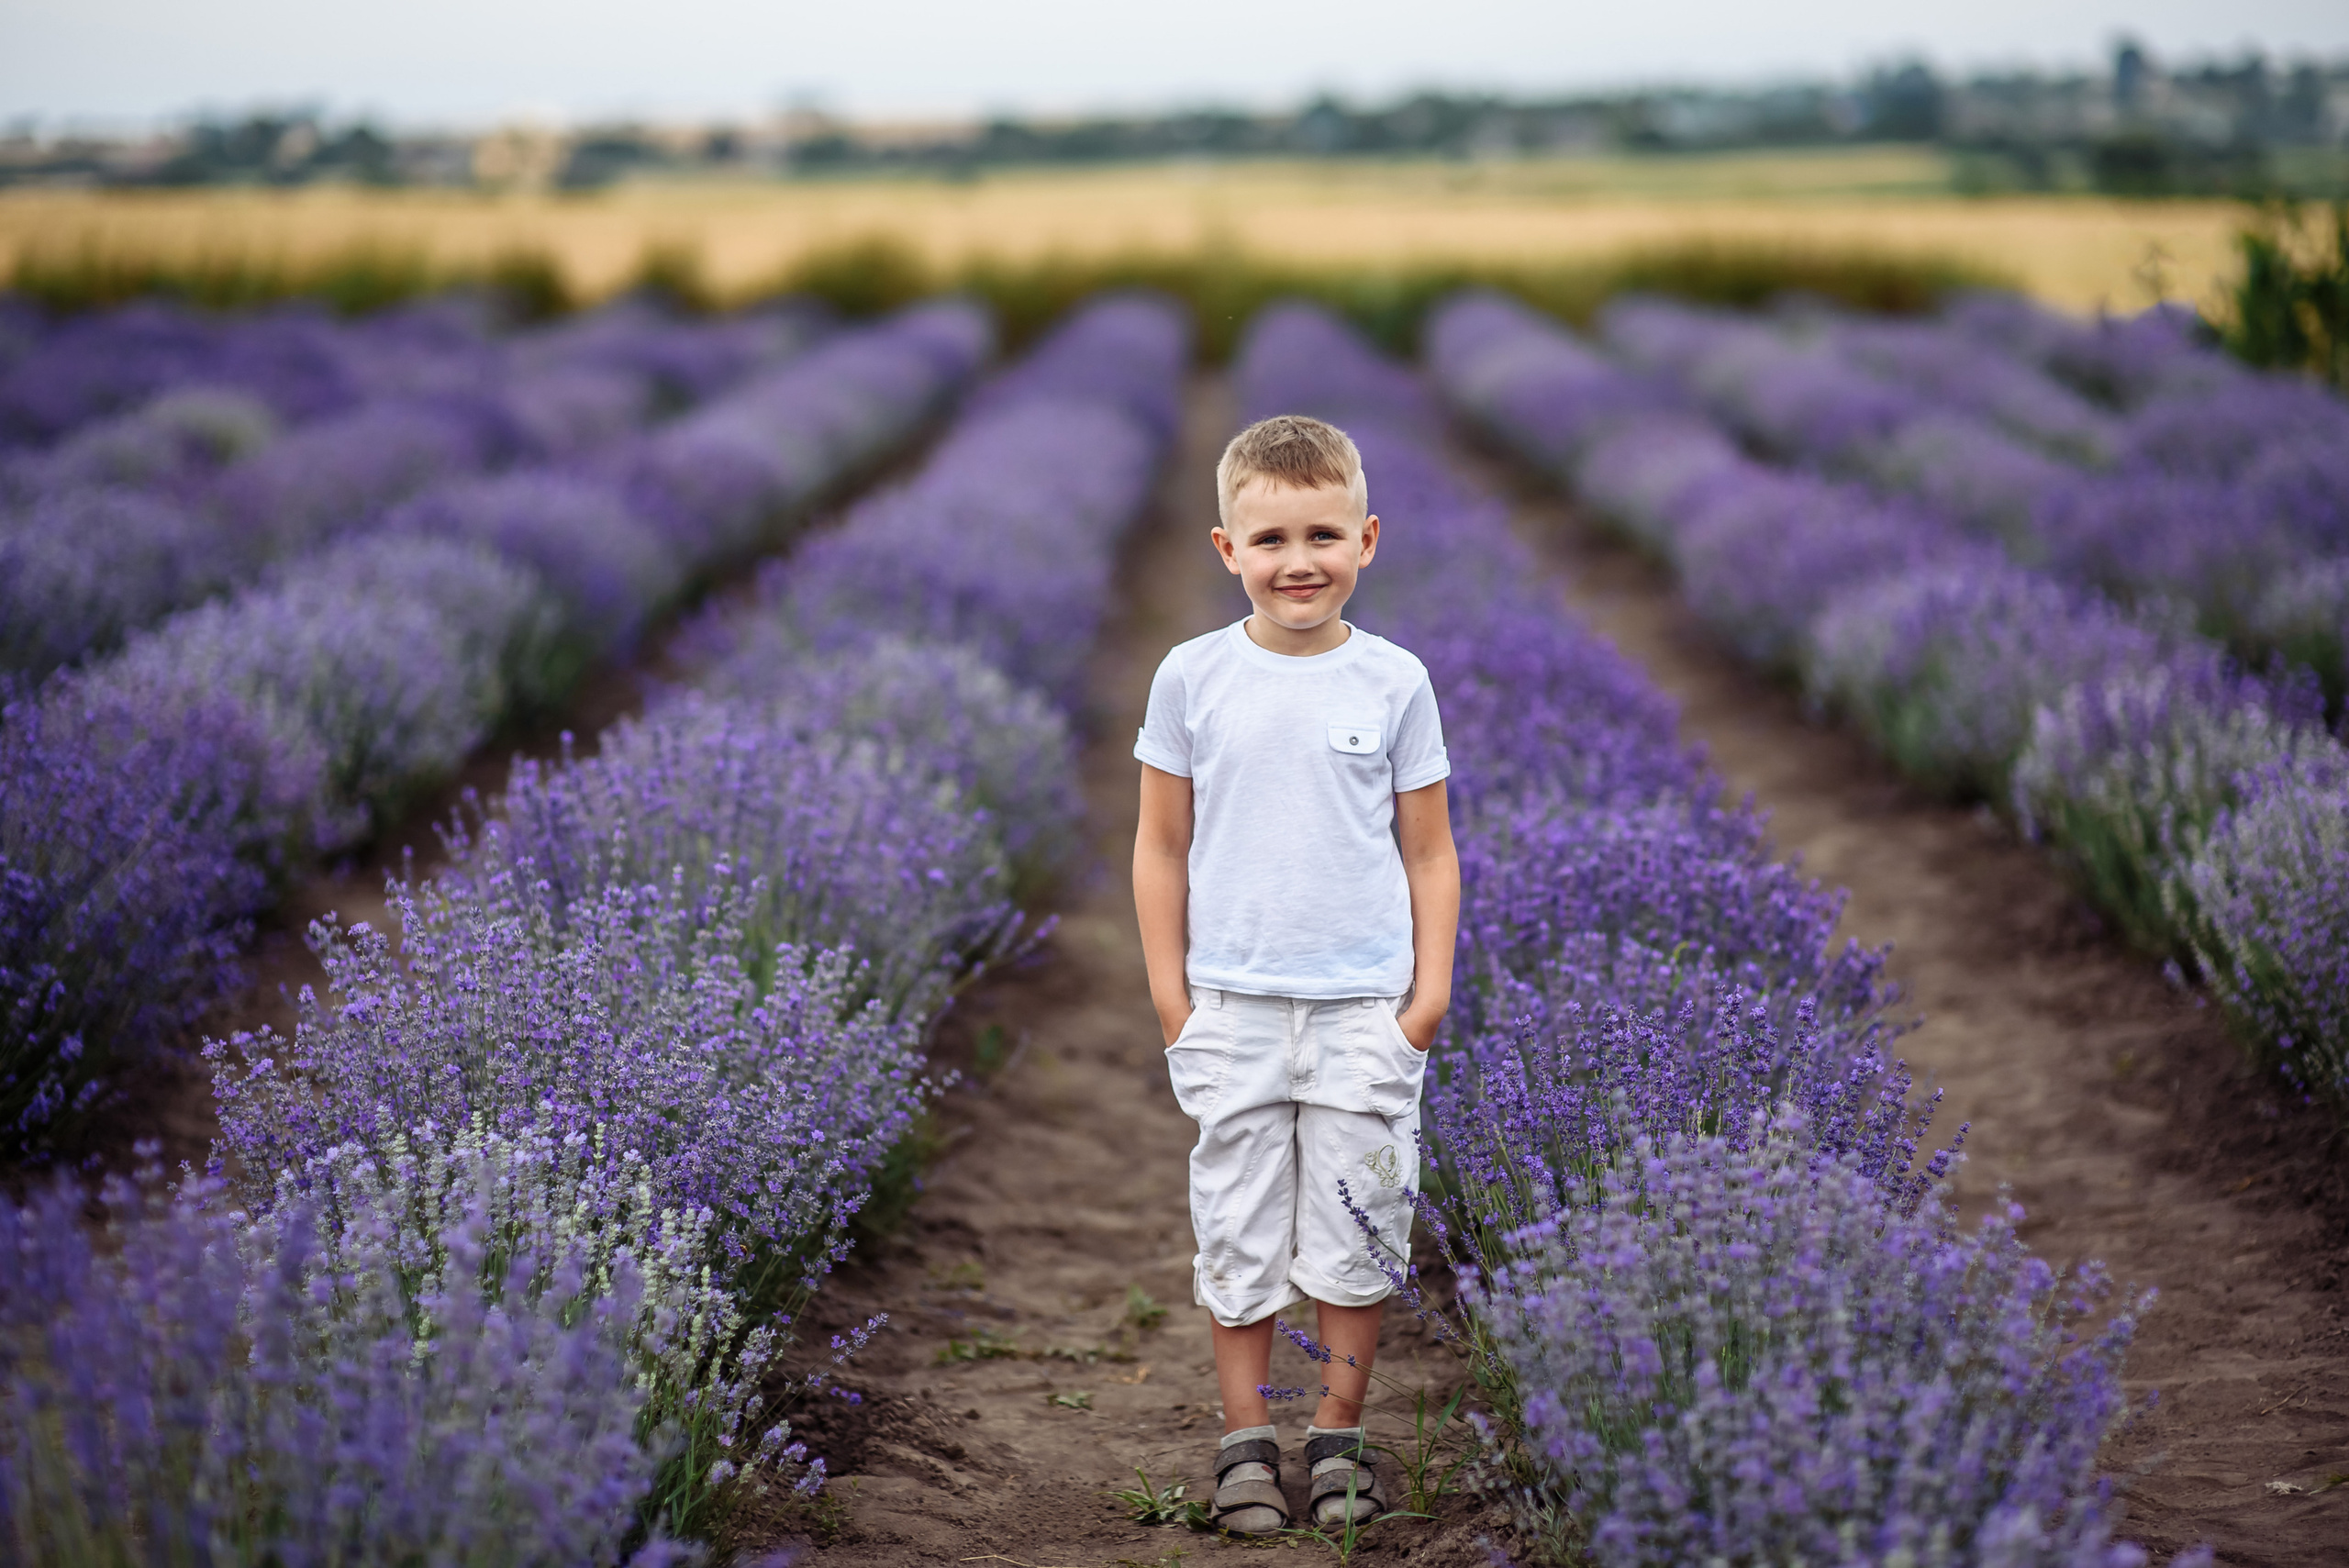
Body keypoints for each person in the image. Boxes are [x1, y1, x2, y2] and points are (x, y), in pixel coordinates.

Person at [1131, 413, 1459, 1535]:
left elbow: (1429, 847)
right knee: (1235, 1228)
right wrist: (1173, 999)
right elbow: (1160, 844)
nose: (1298, 560)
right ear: (1227, 549)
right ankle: (1242, 1445)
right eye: (1269, 539)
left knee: (1359, 1230)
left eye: (1324, 533)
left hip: (1366, 1009)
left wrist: (1426, 1000)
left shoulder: (1394, 680)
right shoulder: (1191, 677)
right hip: (1230, 1006)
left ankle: (1337, 1439)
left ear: (1366, 539)